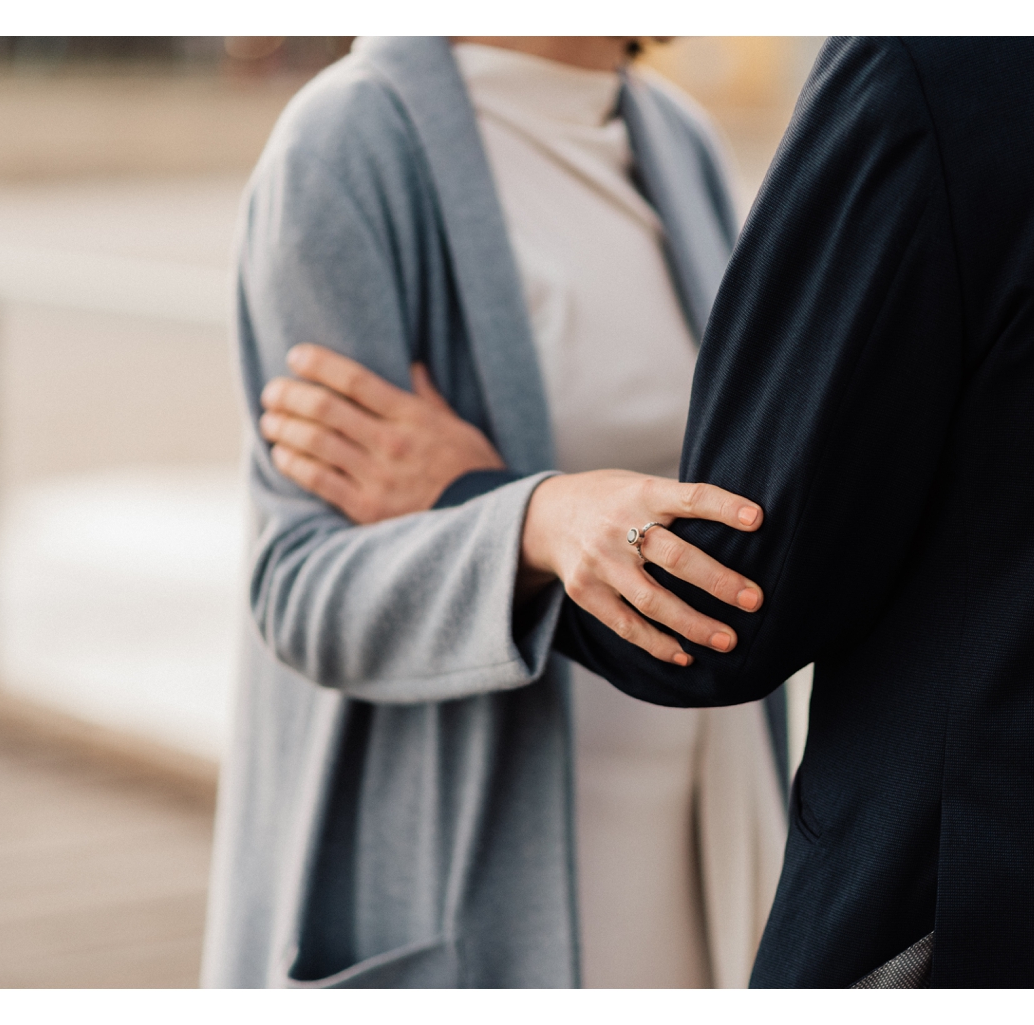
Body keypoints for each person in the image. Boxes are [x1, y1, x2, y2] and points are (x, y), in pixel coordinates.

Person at [291, 37, 1034, 986]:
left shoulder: (902, 71)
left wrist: (486, 502)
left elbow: (734, 594)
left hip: (994, 920)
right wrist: (521, 523)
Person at [200, 36, 787, 989]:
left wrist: (481, 493)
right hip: (476, 888)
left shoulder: (675, 135)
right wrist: (534, 520)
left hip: (704, 824)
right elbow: (297, 588)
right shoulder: (348, 138)